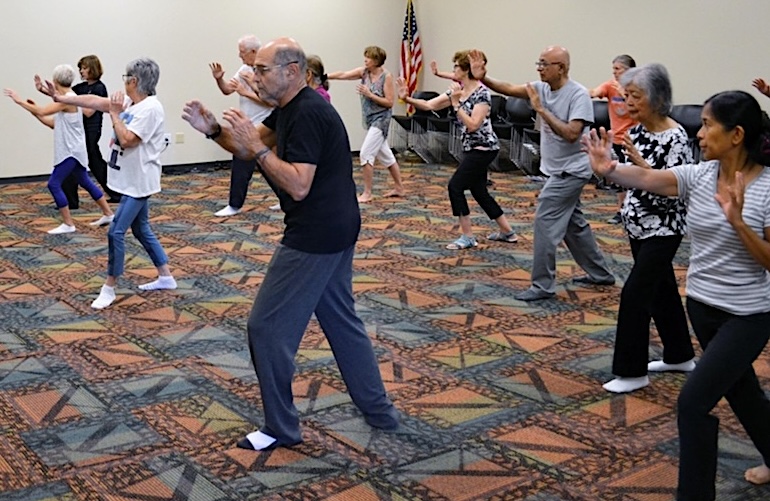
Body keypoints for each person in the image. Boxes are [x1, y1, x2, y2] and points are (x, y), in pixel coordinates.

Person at [182, 37, 399, 451]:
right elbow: (247, 146)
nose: (254, 76)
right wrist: (212, 129)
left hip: (316, 233)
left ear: (293, 71)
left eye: (262, 70)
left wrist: (258, 149)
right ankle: (379, 411)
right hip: (336, 226)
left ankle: (282, 427)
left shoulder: (309, 114)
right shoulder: (289, 111)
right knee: (341, 321)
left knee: (265, 328)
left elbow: (297, 185)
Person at [582, 90, 770, 500]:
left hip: (748, 315)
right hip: (702, 307)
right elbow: (650, 179)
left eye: (707, 124)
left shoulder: (768, 188)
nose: (698, 133)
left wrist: (738, 222)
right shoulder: (701, 176)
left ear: (736, 134)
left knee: (693, 403)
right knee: (743, 393)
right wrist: (609, 168)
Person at [469, 46, 615, 301]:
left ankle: (542, 285)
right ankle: (601, 274)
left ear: (561, 67)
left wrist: (542, 110)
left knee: (545, 223)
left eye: (545, 63)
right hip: (557, 171)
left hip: (572, 171)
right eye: (538, 62)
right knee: (574, 226)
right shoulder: (541, 88)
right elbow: (508, 88)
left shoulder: (578, 95)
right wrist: (483, 77)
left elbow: (571, 134)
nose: (539, 67)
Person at [48, 58, 176, 309]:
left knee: (116, 231)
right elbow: (96, 102)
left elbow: (128, 139)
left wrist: (116, 115)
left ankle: (109, 287)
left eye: (125, 77)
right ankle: (166, 276)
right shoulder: (134, 102)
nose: (124, 82)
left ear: (134, 81)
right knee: (141, 229)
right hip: (130, 180)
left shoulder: (150, 109)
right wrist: (63, 98)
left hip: (139, 182)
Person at [600, 64, 695, 394]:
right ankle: (680, 354)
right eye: (626, 95)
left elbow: (676, 192)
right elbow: (620, 182)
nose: (627, 102)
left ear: (657, 98)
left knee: (635, 294)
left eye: (635, 96)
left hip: (664, 228)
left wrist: (641, 167)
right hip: (637, 225)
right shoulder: (635, 132)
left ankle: (631, 372)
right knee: (661, 291)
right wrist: (606, 167)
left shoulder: (676, 137)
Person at [398, 50, 518, 249]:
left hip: (484, 148)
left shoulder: (482, 94)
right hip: (472, 148)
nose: (452, 70)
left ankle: (468, 236)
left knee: (455, 186)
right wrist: (407, 99)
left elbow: (473, 124)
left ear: (465, 71)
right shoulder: (458, 91)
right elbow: (429, 105)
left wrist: (455, 105)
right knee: (479, 191)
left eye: (455, 67)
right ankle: (508, 232)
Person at [4, 64, 114, 234]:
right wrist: (35, 112)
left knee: (54, 184)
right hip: (74, 150)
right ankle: (108, 213)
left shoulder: (68, 100)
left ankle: (68, 224)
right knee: (84, 181)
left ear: (55, 81)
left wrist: (19, 101)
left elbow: (44, 110)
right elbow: (53, 124)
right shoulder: (69, 98)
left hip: (70, 151)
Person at [328, 46, 406, 203]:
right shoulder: (364, 72)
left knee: (365, 153)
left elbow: (389, 102)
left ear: (376, 61)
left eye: (368, 58)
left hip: (381, 120)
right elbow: (344, 74)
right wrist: (325, 76)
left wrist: (369, 94)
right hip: (370, 119)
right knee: (386, 155)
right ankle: (399, 187)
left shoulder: (386, 77)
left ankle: (367, 192)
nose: (365, 60)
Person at [210, 35, 273, 216]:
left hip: (265, 124)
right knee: (267, 165)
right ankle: (286, 200)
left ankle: (234, 205)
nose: (240, 55)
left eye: (242, 52)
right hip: (249, 124)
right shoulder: (245, 68)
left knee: (246, 161)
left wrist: (246, 92)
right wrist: (219, 79)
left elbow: (270, 101)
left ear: (254, 52)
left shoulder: (266, 70)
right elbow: (228, 90)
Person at [590, 54, 637, 224]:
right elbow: (595, 92)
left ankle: (632, 209)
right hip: (616, 138)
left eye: (618, 69)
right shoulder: (610, 85)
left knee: (632, 176)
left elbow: (639, 107)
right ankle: (621, 211)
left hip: (633, 139)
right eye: (614, 69)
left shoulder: (637, 88)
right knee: (618, 176)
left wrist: (624, 93)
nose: (615, 73)